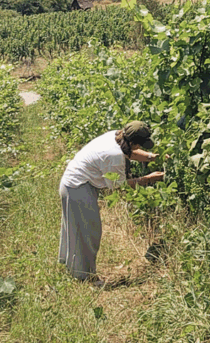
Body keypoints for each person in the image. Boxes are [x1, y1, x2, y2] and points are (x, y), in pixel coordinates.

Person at [58, 121, 164, 285]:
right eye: (140, 145)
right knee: (88, 232)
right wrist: (149, 179)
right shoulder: (113, 155)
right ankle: (86, 277)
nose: (140, 147)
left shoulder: (116, 136)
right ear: (132, 142)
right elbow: (120, 186)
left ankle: (73, 268)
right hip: (78, 188)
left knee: (75, 229)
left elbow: (132, 153)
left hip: (72, 184)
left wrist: (152, 158)